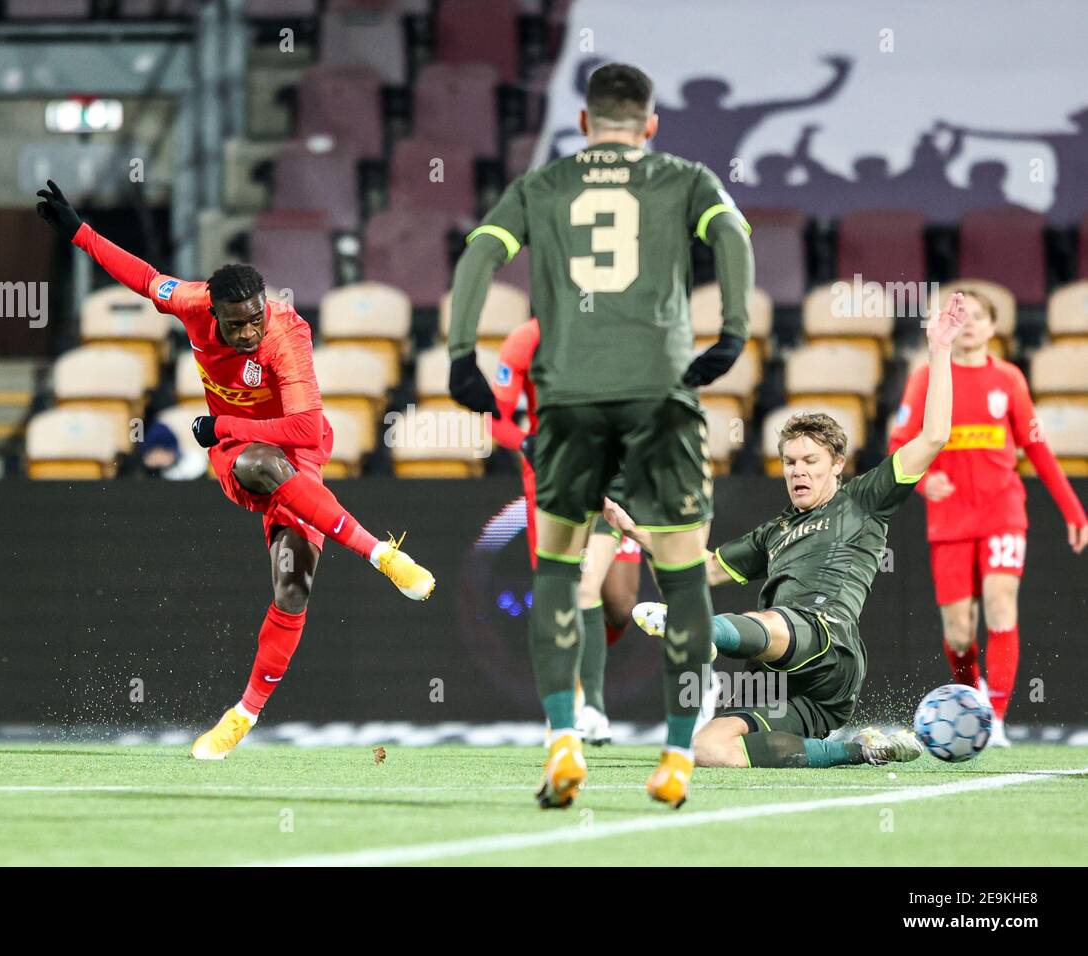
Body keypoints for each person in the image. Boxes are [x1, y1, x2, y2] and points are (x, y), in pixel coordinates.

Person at [36, 181, 435, 761]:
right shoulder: (193, 303)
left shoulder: (285, 335)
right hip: (245, 458)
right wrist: (79, 232)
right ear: (215, 312)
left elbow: (302, 431)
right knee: (257, 462)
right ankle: (382, 554)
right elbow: (143, 277)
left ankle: (242, 715)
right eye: (238, 324)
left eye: (255, 320)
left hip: (294, 456)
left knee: (293, 588)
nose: (249, 332)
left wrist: (224, 426)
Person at [447, 63, 755, 808]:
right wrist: (733, 333)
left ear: (584, 123)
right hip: (661, 397)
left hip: (571, 400)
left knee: (556, 572)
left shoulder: (543, 185)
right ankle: (679, 754)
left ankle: (564, 739)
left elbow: (480, 253)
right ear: (650, 125)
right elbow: (737, 236)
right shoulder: (683, 176)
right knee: (682, 577)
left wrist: (461, 353)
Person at [608, 293, 969, 770]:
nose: (798, 471)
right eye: (790, 462)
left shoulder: (863, 499)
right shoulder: (774, 531)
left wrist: (940, 350)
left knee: (779, 620)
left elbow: (934, 436)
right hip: (792, 687)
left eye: (810, 462)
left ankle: (697, 630)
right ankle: (859, 749)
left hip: (829, 648)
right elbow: (703, 569)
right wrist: (638, 534)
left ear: (837, 464)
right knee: (710, 750)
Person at [888, 289, 1087, 745]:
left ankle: (994, 718)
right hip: (950, 518)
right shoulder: (926, 378)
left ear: (994, 327)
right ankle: (972, 692)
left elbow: (1036, 446)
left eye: (979, 316)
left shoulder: (1010, 380)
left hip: (1002, 511)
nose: (970, 323)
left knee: (1000, 604)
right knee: (959, 632)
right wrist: (921, 482)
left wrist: (1073, 509)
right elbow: (900, 443)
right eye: (962, 316)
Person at [489, 317, 651, 745]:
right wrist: (528, 445)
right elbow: (494, 419)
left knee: (619, 607)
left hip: (613, 470)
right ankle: (585, 707)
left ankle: (584, 686)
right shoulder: (526, 338)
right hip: (553, 477)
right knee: (578, 586)